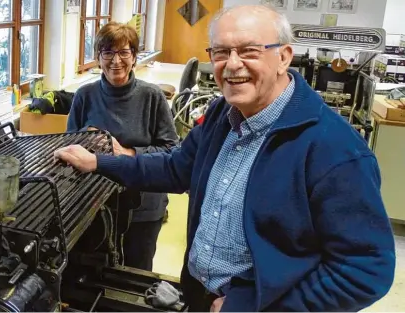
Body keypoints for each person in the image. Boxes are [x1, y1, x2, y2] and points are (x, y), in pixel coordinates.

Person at [54, 5, 395, 312]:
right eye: (220, 52)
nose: (232, 64)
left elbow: (364, 270)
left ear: (284, 57)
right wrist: (99, 163)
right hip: (200, 295)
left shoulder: (335, 149)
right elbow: (175, 167)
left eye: (249, 51)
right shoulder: (221, 114)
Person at [66, 22, 179, 272]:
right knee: (96, 273)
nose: (116, 61)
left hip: (143, 207)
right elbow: (70, 146)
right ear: (98, 58)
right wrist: (84, 140)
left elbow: (172, 153)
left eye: (124, 52)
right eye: (108, 53)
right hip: (96, 205)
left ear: (134, 57)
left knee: (136, 273)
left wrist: (124, 153)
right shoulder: (84, 96)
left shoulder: (152, 97)